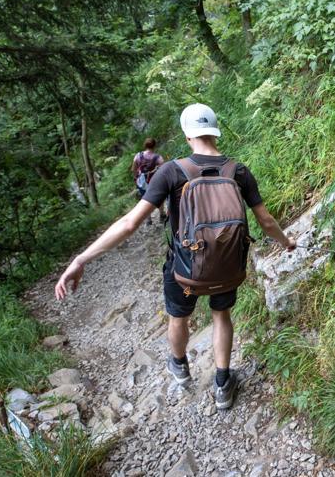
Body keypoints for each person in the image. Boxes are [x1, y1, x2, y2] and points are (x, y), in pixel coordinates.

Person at [55, 103, 295, 410]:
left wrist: (80, 260)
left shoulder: (172, 171)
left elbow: (129, 224)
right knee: (222, 316)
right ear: (214, 130)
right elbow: (266, 222)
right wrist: (286, 242)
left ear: (187, 134)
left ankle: (180, 365)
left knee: (178, 316)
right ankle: (223, 385)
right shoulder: (239, 171)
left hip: (185, 269)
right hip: (227, 265)